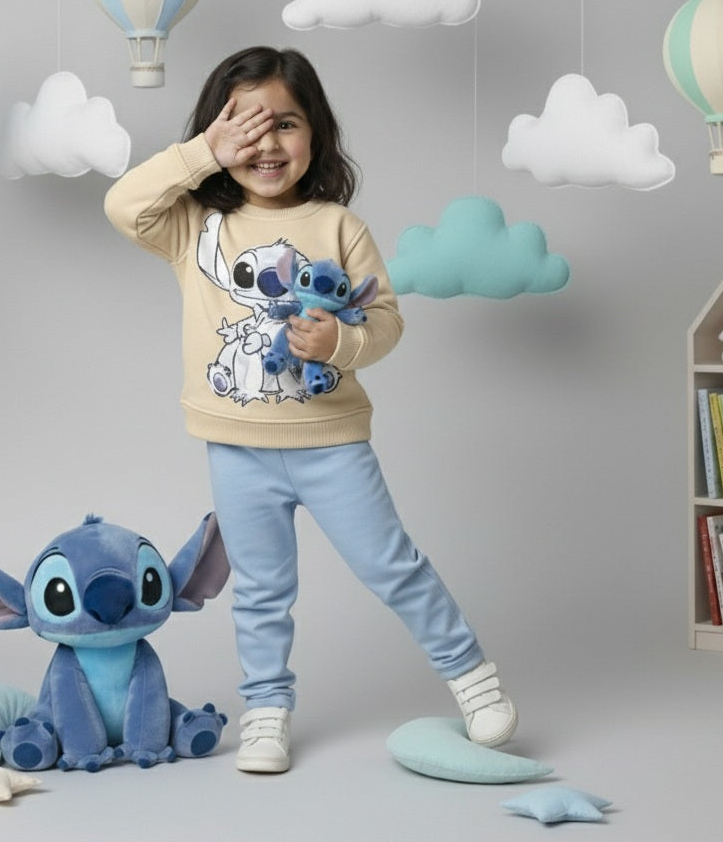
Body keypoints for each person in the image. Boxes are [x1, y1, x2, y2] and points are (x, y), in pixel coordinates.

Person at [104, 46, 515, 774]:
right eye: (243, 125)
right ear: (216, 133)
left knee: (394, 566)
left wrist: (341, 340)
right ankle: (266, 710)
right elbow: (122, 204)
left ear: (316, 134)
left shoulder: (338, 227)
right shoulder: (192, 226)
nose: (265, 144)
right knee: (261, 590)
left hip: (332, 445)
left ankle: (472, 678)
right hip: (236, 448)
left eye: (285, 123)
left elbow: (384, 323)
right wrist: (203, 153)